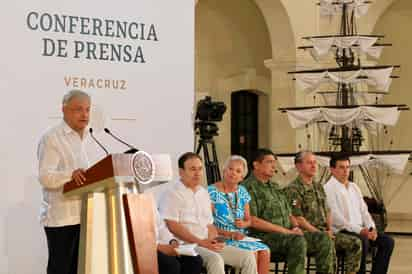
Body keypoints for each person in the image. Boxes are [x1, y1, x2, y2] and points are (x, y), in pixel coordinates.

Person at [160, 152, 258, 274]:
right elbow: (172, 225)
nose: (197, 173)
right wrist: (202, 242)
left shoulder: (203, 193)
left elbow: (210, 225)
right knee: (215, 259)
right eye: (192, 169)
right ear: (181, 172)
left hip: (206, 242)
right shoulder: (171, 193)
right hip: (187, 245)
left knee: (248, 257)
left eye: (200, 169)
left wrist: (214, 240)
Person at [242, 148, 334, 274]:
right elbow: (253, 220)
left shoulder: (275, 186)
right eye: (269, 162)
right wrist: (286, 231)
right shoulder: (247, 187)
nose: (274, 165)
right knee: (297, 241)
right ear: (256, 165)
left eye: (274, 162)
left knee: (323, 238)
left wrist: (295, 227)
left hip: (287, 234)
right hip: (263, 236)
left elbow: (289, 212)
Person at [37, 89, 91, 274]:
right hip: (61, 218)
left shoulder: (84, 136)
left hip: (83, 216)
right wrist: (70, 175)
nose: (84, 114)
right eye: (78, 109)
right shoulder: (52, 138)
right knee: (60, 269)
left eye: (87, 109)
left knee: (78, 269)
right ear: (64, 110)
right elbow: (45, 177)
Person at [286, 151, 361, 274]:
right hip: (306, 234)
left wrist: (329, 229)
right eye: (309, 163)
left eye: (315, 162)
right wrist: (319, 233)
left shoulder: (318, 187)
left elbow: (328, 211)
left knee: (355, 243)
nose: (314, 165)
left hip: (323, 232)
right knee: (326, 241)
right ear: (298, 166)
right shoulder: (293, 189)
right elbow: (297, 218)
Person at [324, 154, 395, 274]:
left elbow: (364, 211)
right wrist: (360, 231)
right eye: (341, 167)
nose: (346, 171)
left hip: (361, 230)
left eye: (347, 167)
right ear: (332, 169)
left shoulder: (354, 187)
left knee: (388, 241)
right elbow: (336, 218)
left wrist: (371, 228)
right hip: (342, 231)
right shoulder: (328, 188)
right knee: (363, 240)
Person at [208, 155, 270, 274]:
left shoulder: (242, 191)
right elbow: (207, 224)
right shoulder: (211, 191)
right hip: (221, 236)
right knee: (253, 253)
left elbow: (249, 220)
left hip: (241, 236)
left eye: (238, 171)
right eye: (230, 169)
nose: (233, 173)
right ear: (224, 170)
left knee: (265, 251)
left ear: (242, 177)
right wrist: (230, 234)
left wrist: (244, 224)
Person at [155, 207, 203, 274]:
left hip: (163, 244)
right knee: (171, 265)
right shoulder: (137, 203)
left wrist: (172, 241)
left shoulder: (149, 202)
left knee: (195, 260)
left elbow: (161, 228)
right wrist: (158, 247)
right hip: (148, 248)